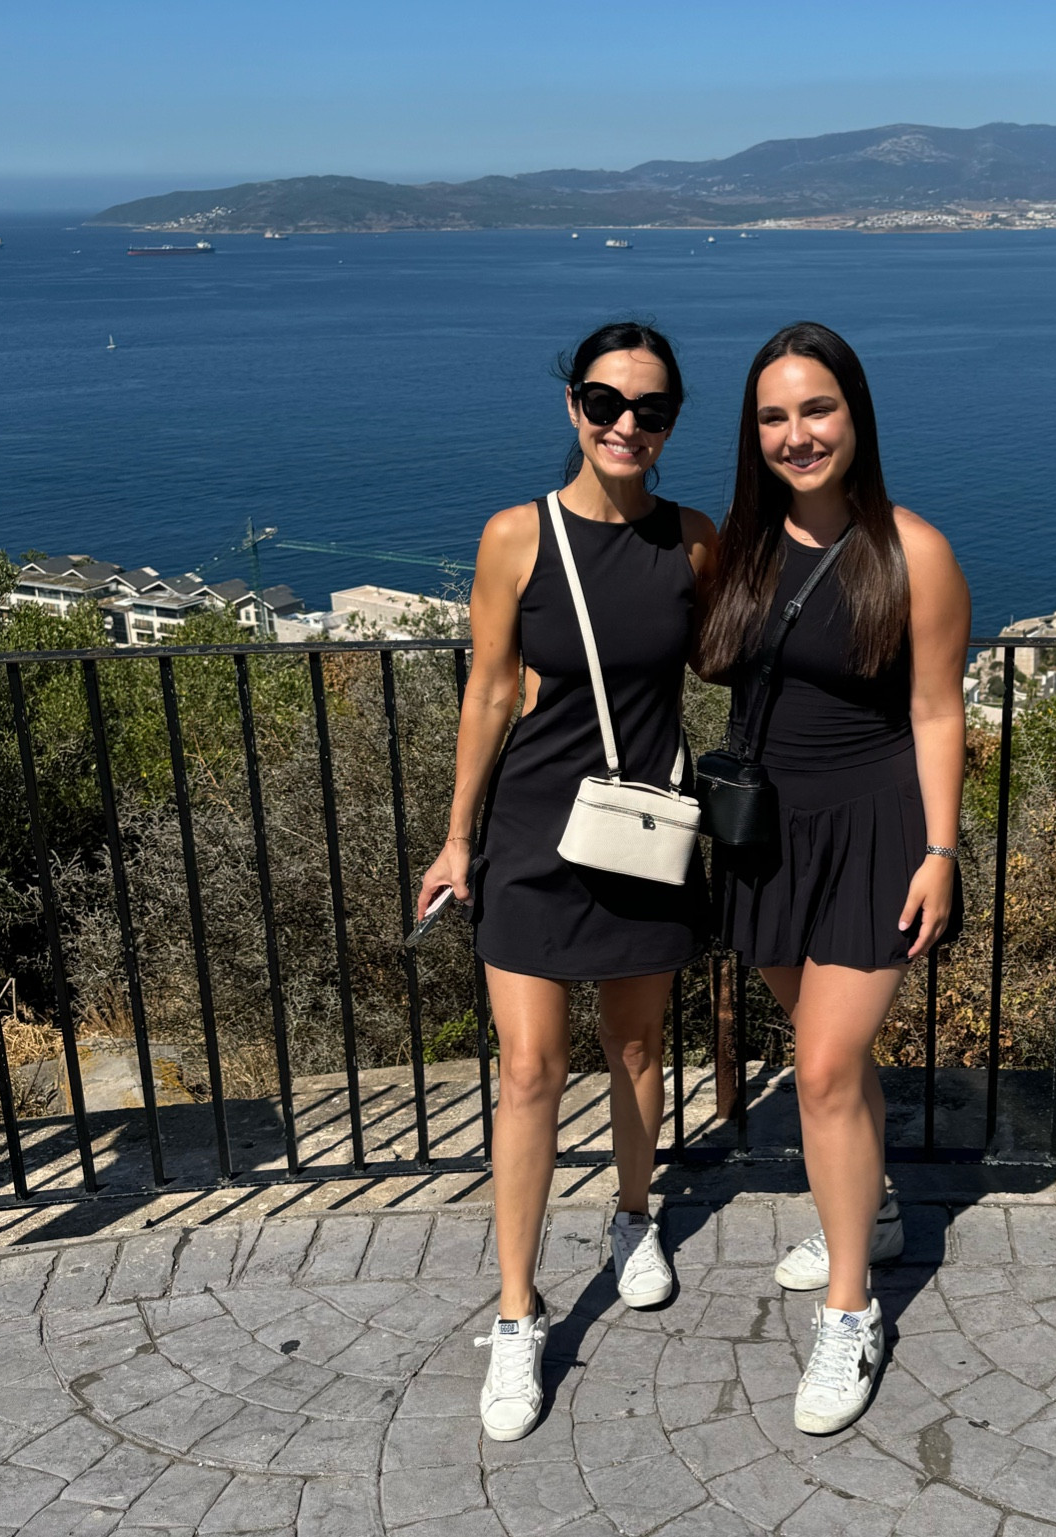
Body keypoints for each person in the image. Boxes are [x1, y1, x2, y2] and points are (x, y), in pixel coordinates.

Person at [417, 321, 715, 1442]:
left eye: (648, 408)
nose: (625, 424)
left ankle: (633, 1217)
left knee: (638, 1049)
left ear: (671, 422)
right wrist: (457, 840)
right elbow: (490, 691)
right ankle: (514, 1315)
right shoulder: (516, 535)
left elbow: (742, 654)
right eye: (604, 401)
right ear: (572, 410)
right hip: (536, 836)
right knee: (530, 1071)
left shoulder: (695, 542)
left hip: (642, 834)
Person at [699, 321, 969, 1434]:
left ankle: (851, 1311)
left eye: (816, 410)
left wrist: (942, 853)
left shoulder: (913, 552)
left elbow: (937, 710)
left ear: (855, 416)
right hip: (763, 830)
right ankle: (877, 1206)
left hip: (871, 829)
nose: (796, 433)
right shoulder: (739, 552)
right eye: (773, 415)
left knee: (820, 1067)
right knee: (819, 1057)